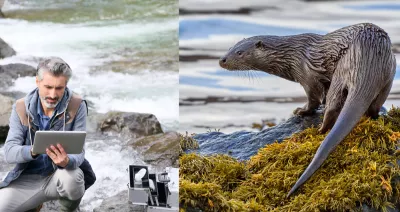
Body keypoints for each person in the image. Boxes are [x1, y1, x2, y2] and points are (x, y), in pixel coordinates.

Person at [0, 57, 95, 211]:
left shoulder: (77, 105)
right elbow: (9, 153)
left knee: (74, 178)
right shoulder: (20, 107)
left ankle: (67, 209)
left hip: (60, 175)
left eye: (59, 88)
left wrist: (66, 162)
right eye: (48, 87)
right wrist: (32, 151)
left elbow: (79, 154)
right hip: (28, 178)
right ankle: (35, 203)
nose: (53, 94)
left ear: (66, 85)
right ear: (37, 82)